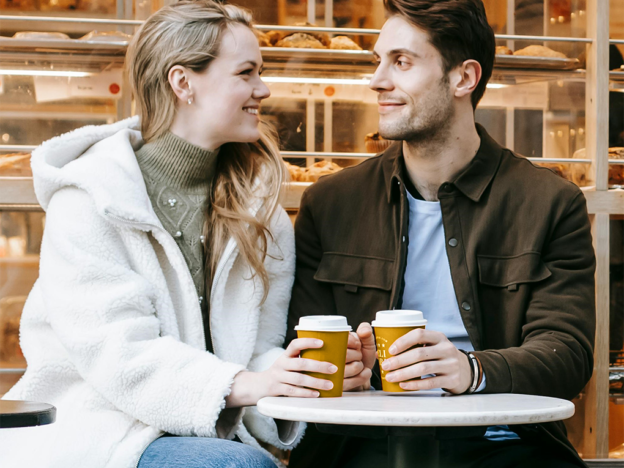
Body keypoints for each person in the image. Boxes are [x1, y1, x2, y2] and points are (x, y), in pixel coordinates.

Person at [0, 2, 341, 467]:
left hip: (212, 432)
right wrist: (242, 384)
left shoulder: (260, 208)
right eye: (246, 73)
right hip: (104, 429)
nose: (263, 89)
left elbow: (256, 349)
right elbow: (119, 354)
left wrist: (296, 375)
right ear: (183, 83)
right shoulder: (92, 197)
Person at [286, 0, 595, 467]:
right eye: (378, 61)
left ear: (463, 78)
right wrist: (345, 368)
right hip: (360, 446)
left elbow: (567, 354)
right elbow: (302, 347)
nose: (377, 81)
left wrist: (470, 370)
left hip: (503, 446)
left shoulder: (550, 203)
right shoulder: (329, 204)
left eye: (402, 62)